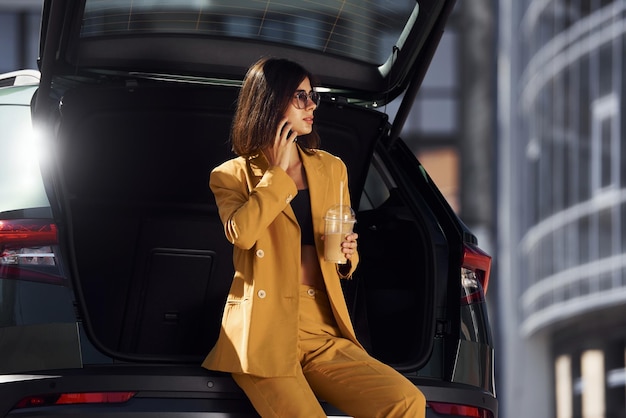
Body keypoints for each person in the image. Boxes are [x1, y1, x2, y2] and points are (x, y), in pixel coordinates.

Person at [202, 57, 426, 418]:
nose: (312, 106)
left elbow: (341, 248)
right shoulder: (232, 175)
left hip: (321, 328)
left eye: (313, 97)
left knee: (405, 402)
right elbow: (241, 234)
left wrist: (348, 256)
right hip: (262, 332)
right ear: (271, 102)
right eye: (300, 97)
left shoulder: (330, 168)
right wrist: (275, 174)